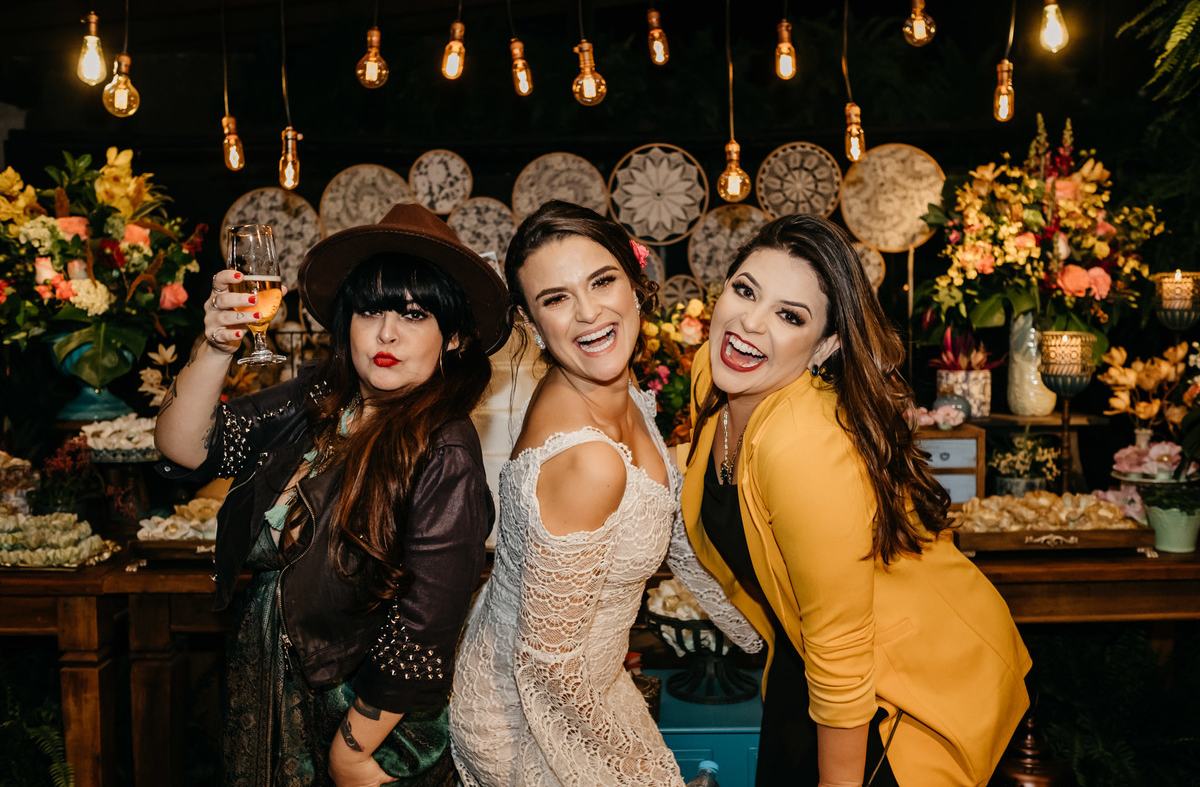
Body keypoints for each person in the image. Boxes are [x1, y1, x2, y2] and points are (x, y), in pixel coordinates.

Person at [154, 204, 510, 787]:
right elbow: (187, 448)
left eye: (414, 314)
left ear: (454, 339)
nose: (387, 332)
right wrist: (216, 348)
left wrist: (351, 752)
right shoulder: (324, 399)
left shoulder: (443, 445)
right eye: (371, 309)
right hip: (273, 683)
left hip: (367, 718)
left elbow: (426, 623)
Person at [680, 214, 1031, 787]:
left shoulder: (802, 445)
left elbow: (842, 649)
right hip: (806, 663)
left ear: (825, 346)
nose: (750, 322)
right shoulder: (713, 378)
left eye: (790, 316)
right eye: (745, 290)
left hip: (903, 691)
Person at [449, 201, 760, 787]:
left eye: (601, 280)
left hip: (586, 681)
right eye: (556, 299)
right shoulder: (588, 459)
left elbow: (670, 527)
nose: (590, 313)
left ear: (635, 283)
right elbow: (545, 665)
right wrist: (643, 773)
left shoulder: (617, 384)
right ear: (530, 325)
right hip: (525, 712)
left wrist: (761, 635)